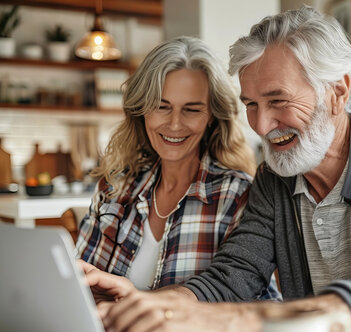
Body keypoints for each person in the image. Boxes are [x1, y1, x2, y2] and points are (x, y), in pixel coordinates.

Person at [80, 7, 351, 332]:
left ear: (337, 91)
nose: (261, 125)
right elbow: (232, 278)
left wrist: (228, 322)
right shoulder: (274, 178)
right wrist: (147, 305)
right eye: (252, 105)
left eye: (278, 100)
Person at [75, 36, 279, 298]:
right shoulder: (115, 188)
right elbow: (78, 288)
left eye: (191, 110)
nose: (173, 124)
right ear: (142, 110)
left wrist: (137, 305)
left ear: (211, 117)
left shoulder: (237, 196)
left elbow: (259, 307)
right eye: (161, 107)